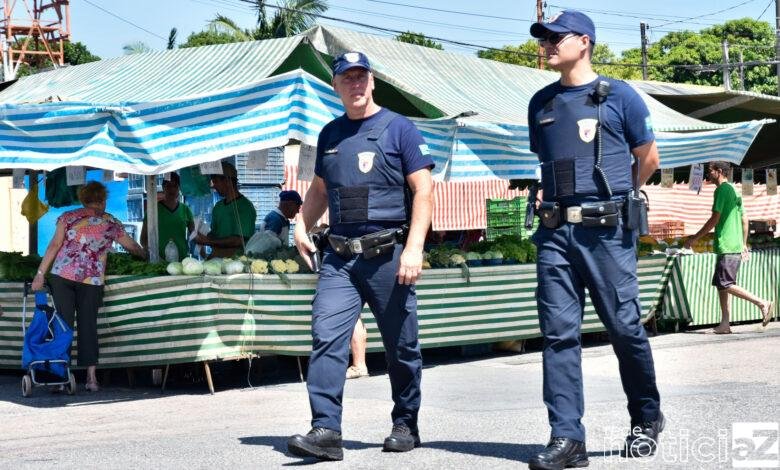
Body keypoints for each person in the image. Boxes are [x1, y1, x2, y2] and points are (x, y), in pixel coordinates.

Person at [526, 11, 664, 468]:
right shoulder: (540, 103)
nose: (545, 45)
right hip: (553, 234)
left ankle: (646, 417)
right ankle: (568, 438)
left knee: (624, 327)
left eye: (554, 38)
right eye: (543, 39)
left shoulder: (619, 96)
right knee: (558, 336)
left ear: (583, 42)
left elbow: (648, 158)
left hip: (606, 232)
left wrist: (616, 197)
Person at [287, 51, 434, 461]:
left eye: (360, 77)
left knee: (401, 345)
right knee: (326, 337)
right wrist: (301, 223)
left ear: (373, 82)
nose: (354, 84)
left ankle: (406, 422)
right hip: (339, 258)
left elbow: (424, 190)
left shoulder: (399, 128)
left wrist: (415, 248)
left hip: (388, 254)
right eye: (346, 78)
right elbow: (318, 190)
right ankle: (326, 430)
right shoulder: (330, 134)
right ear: (335, 87)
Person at [31, 181, 146, 392]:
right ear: (102, 200)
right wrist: (145, 254)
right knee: (88, 326)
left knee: (63, 325)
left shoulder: (67, 217)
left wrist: (40, 274)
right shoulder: (110, 222)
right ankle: (91, 379)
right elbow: (131, 246)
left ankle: (59, 376)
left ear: (83, 199)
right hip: (91, 281)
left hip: (62, 277)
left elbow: (54, 246)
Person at [684, 161, 773, 333]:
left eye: (709, 171)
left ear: (718, 172)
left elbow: (714, 220)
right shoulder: (734, 190)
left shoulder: (721, 190)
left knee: (724, 283)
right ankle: (725, 324)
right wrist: (743, 243)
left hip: (727, 245)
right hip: (732, 245)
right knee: (722, 285)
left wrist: (694, 239)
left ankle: (762, 303)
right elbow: (744, 220)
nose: (707, 175)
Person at [194, 161, 256, 258]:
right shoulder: (218, 207)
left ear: (228, 181)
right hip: (216, 260)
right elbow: (215, 234)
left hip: (236, 263)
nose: (214, 186)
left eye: (216, 182)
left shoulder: (245, 207)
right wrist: (201, 237)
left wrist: (208, 241)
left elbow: (238, 240)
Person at [141, 172, 195, 260]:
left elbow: (194, 234)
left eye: (175, 186)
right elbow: (143, 238)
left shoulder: (185, 209)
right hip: (159, 260)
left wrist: (203, 245)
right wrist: (151, 253)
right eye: (168, 186)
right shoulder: (153, 210)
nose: (172, 189)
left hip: (182, 260)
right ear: (163, 188)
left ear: (179, 188)